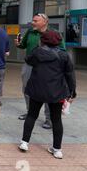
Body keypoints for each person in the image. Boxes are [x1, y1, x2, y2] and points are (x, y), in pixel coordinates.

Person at [18, 30, 76, 159]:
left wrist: (38, 47)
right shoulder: (64, 55)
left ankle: (24, 142)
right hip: (56, 91)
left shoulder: (38, 52)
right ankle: (57, 149)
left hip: (36, 89)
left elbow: (28, 60)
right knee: (56, 120)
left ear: (43, 40)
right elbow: (70, 75)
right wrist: (72, 91)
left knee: (32, 115)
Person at [15, 13, 66, 129]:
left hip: (47, 68)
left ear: (45, 22)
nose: (33, 22)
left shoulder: (54, 33)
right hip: (29, 66)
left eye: (36, 21)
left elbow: (62, 50)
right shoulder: (30, 32)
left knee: (47, 92)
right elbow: (23, 45)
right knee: (27, 89)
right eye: (33, 20)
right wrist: (18, 44)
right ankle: (30, 112)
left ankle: (49, 119)